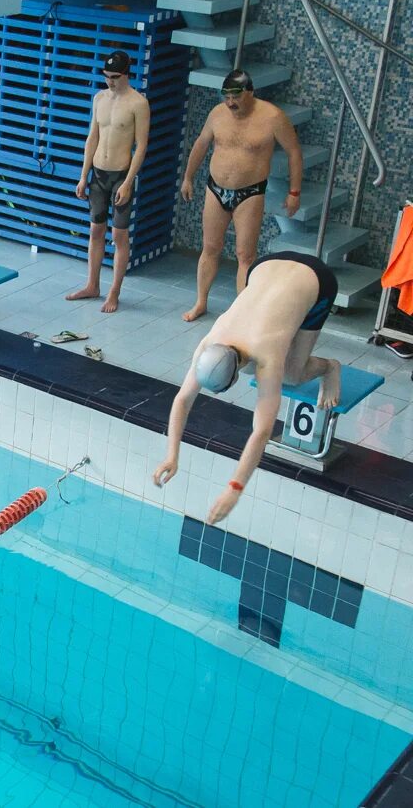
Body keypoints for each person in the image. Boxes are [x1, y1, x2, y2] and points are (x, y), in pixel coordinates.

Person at [153, 252, 341, 524]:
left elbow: (262, 430)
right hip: (265, 266)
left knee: (292, 374)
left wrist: (234, 489)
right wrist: (172, 455)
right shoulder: (212, 340)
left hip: (318, 280)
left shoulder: (268, 355)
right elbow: (182, 400)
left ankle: (330, 367)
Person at [180, 69, 303, 322]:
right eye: (226, 97)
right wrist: (188, 177)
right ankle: (201, 301)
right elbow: (202, 144)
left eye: (235, 97)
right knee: (210, 248)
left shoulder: (272, 117)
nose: (230, 103)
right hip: (215, 188)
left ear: (250, 92)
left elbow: (293, 153)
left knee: (245, 255)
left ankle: (241, 313)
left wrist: (294, 192)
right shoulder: (217, 114)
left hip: (250, 193)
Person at [66, 50, 151, 313]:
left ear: (126, 74)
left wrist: (128, 182)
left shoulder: (138, 103)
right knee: (95, 231)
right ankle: (92, 285)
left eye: (115, 77)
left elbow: (142, 146)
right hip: (98, 176)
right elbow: (92, 138)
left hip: (120, 177)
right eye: (106, 77)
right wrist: (83, 175)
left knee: (119, 235)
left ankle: (114, 292)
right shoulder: (99, 98)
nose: (110, 82)